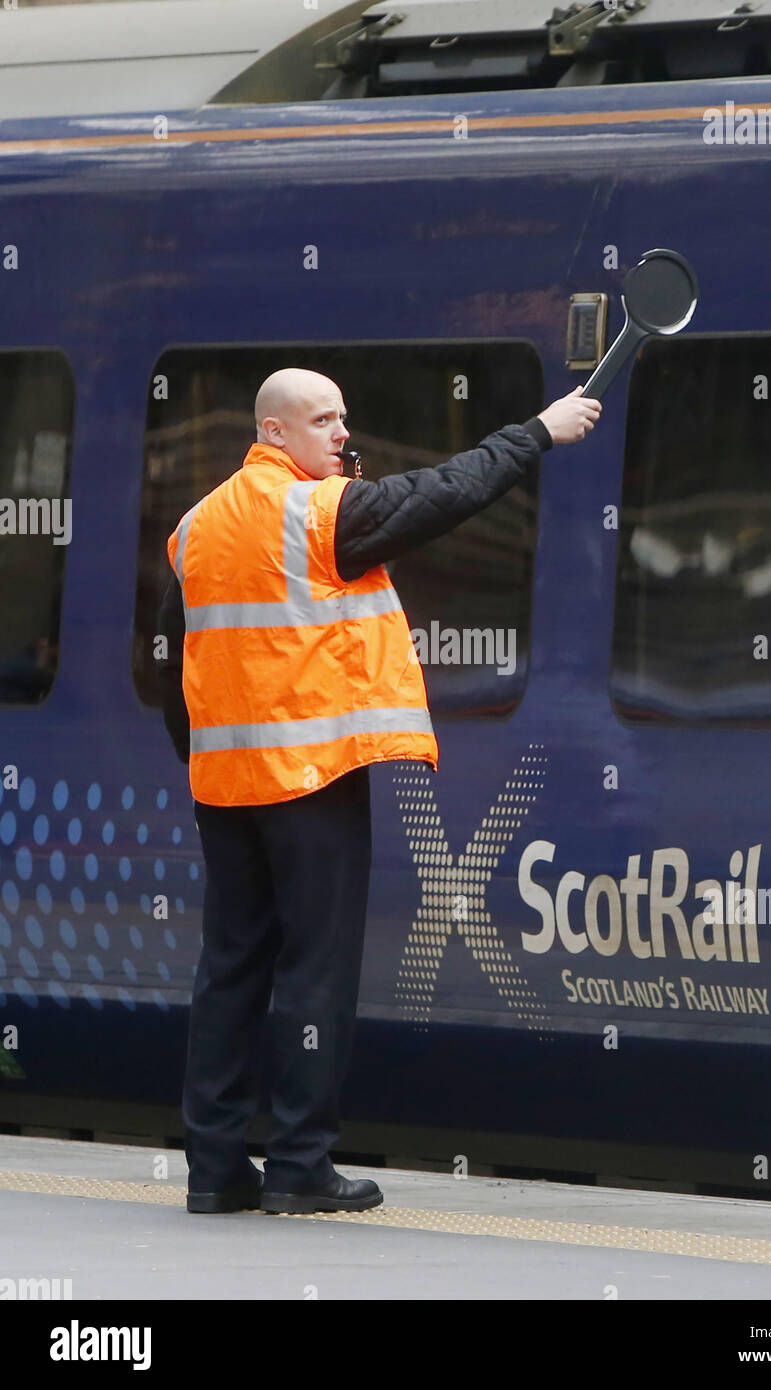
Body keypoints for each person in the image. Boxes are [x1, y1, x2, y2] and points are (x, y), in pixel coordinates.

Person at [156, 367, 602, 1216]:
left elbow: (181, 658)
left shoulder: (194, 527)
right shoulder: (317, 513)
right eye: (321, 420)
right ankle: (298, 1165)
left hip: (226, 784)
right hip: (313, 781)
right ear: (274, 434)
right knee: (315, 969)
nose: (340, 434)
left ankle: (213, 1170)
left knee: (229, 969)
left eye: (343, 419)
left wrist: (205, 759)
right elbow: (444, 493)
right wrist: (538, 431)